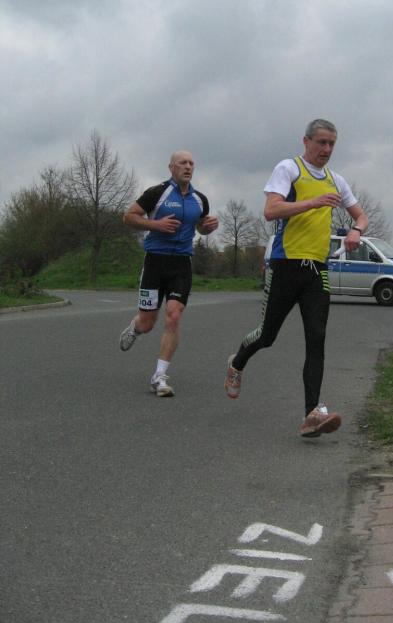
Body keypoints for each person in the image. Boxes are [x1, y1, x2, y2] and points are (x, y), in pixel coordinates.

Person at [224, 119, 368, 438]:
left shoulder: (336, 180)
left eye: (332, 144)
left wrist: (356, 231)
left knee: (317, 338)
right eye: (321, 142)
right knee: (267, 335)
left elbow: (361, 215)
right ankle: (237, 362)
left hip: (317, 269)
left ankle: (311, 414)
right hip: (285, 264)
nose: (327, 149)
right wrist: (313, 203)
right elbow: (271, 210)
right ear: (306, 141)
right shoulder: (289, 169)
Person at [119, 150, 219, 396]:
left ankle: (159, 377)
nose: (188, 167)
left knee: (173, 316)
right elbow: (128, 217)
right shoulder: (157, 193)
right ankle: (136, 327)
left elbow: (200, 228)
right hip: (155, 262)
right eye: (183, 163)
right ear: (171, 167)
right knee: (148, 322)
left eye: (191, 163)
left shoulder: (200, 199)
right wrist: (156, 225)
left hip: (181, 264)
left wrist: (208, 228)